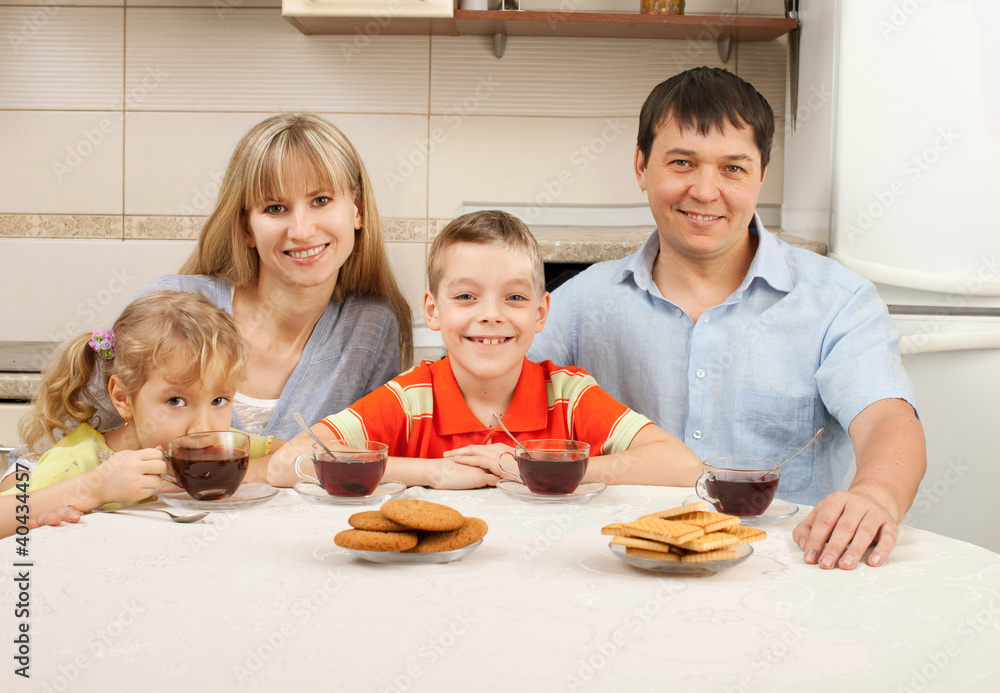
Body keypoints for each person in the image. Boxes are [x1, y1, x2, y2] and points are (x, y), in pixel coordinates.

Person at [528, 67, 927, 570]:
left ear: (761, 174)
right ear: (641, 166)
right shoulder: (580, 302)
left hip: (787, 571)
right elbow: (493, 400)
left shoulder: (837, 301)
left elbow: (889, 420)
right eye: (681, 162)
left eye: (733, 168)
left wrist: (875, 495)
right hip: (620, 567)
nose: (704, 190)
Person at [265, 210, 702, 489]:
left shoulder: (567, 396)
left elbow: (684, 467)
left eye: (513, 298)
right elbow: (287, 465)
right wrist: (432, 473)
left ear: (540, 312)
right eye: (466, 297)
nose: (490, 315)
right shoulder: (411, 398)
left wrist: (535, 469)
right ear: (433, 311)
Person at [125, 112, 412, 441]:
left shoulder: (371, 327)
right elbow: (82, 446)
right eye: (275, 208)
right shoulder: (170, 305)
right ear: (247, 226)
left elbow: (367, 461)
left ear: (357, 210)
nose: (302, 231)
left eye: (321, 200)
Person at [0, 290, 272, 538]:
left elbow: (300, 453)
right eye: (176, 401)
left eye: (219, 400)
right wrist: (95, 488)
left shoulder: (220, 448)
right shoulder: (79, 462)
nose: (202, 427)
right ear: (122, 398)